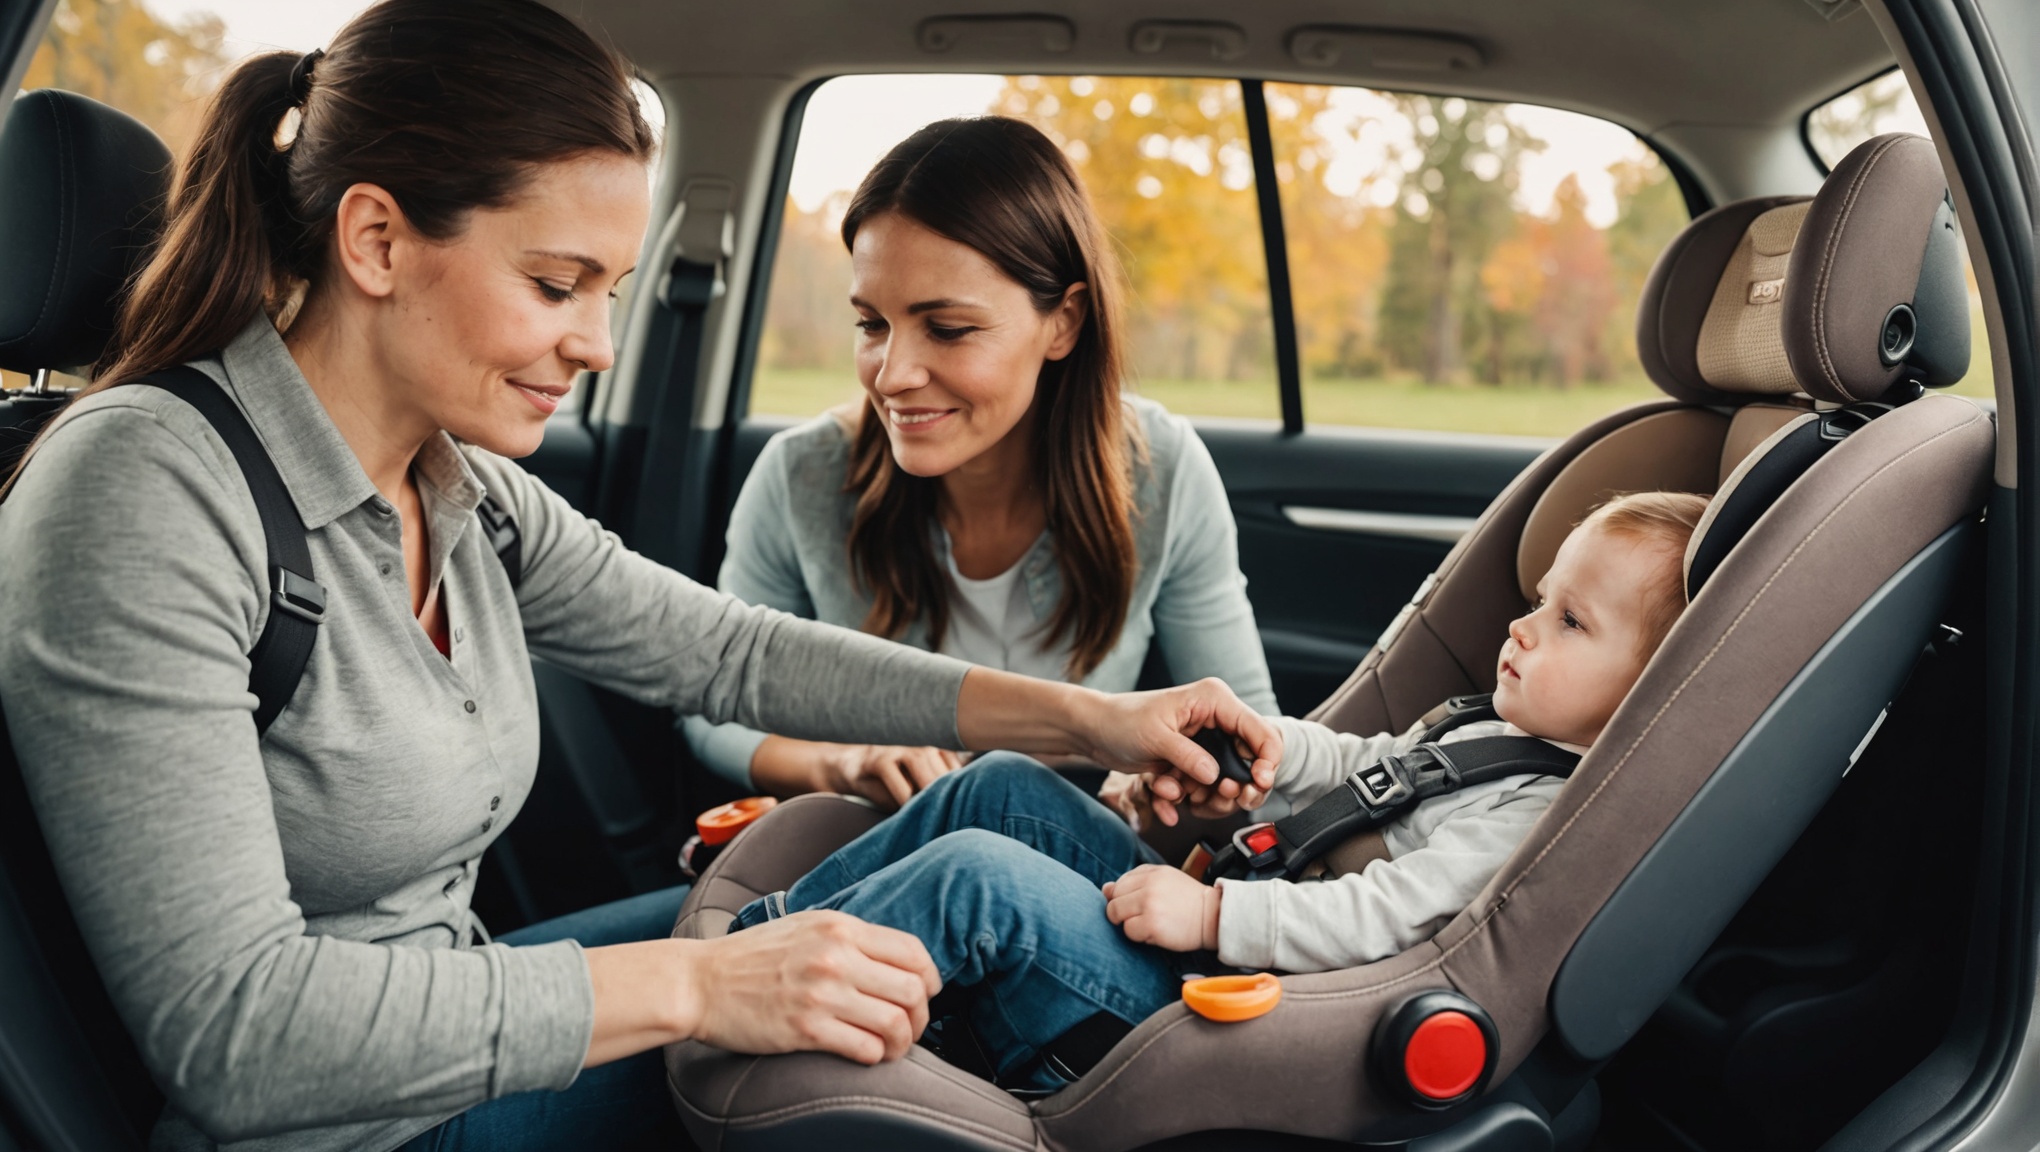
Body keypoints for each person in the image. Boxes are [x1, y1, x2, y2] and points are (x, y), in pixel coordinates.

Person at [0, 4, 1280, 1151]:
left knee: (993, 802)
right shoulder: (144, 490)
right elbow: (237, 1037)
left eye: (608, 290)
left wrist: (1090, 717)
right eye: (557, 285)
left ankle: (1289, 964)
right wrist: (706, 985)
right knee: (972, 893)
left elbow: (735, 653)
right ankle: (1294, 1079)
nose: (601, 344)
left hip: (470, 1013)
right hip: (348, 1126)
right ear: (378, 239)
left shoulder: (461, 493)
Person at [730, 492, 1710, 1090]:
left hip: (1252, 1014)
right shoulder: (1489, 730)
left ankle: (751, 989)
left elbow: (1391, 916)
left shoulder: (1538, 815)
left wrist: (1214, 914)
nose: (1524, 627)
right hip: (1237, 935)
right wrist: (1256, 749)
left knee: (978, 878)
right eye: (1538, 599)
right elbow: (1360, 770)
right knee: (1003, 790)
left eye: (1572, 622)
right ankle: (773, 939)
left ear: (1653, 689)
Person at [683, 116, 1277, 810]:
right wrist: (842, 762)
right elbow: (712, 709)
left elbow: (1247, 730)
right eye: (872, 325)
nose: (892, 373)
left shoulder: (1163, 470)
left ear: (1064, 322)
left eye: (949, 329)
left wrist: (1187, 786)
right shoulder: (800, 476)